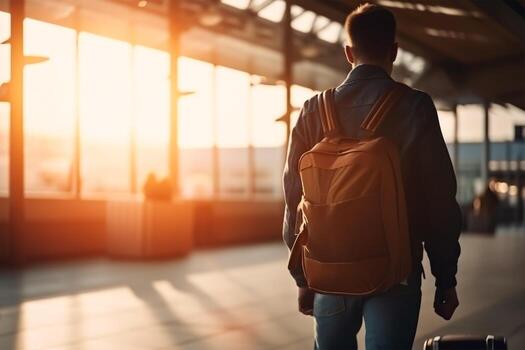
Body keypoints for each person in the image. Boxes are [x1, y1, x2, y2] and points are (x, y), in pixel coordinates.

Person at [282, 3, 462, 350]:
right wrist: (446, 278)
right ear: (394, 51)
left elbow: (294, 198)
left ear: (349, 52)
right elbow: (439, 201)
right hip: (395, 272)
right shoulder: (415, 106)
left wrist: (302, 276)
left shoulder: (312, 110)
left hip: (329, 272)